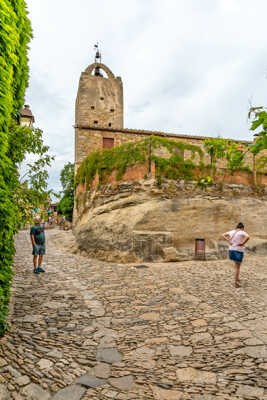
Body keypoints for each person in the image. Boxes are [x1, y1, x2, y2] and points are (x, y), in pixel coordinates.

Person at [222, 222, 250, 288]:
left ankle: (237, 279)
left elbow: (223, 235)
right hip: (238, 250)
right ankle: (236, 283)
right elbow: (248, 237)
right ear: (242, 228)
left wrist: (228, 241)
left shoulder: (232, 231)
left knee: (236, 266)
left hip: (231, 250)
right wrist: (243, 243)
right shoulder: (242, 232)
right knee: (237, 267)